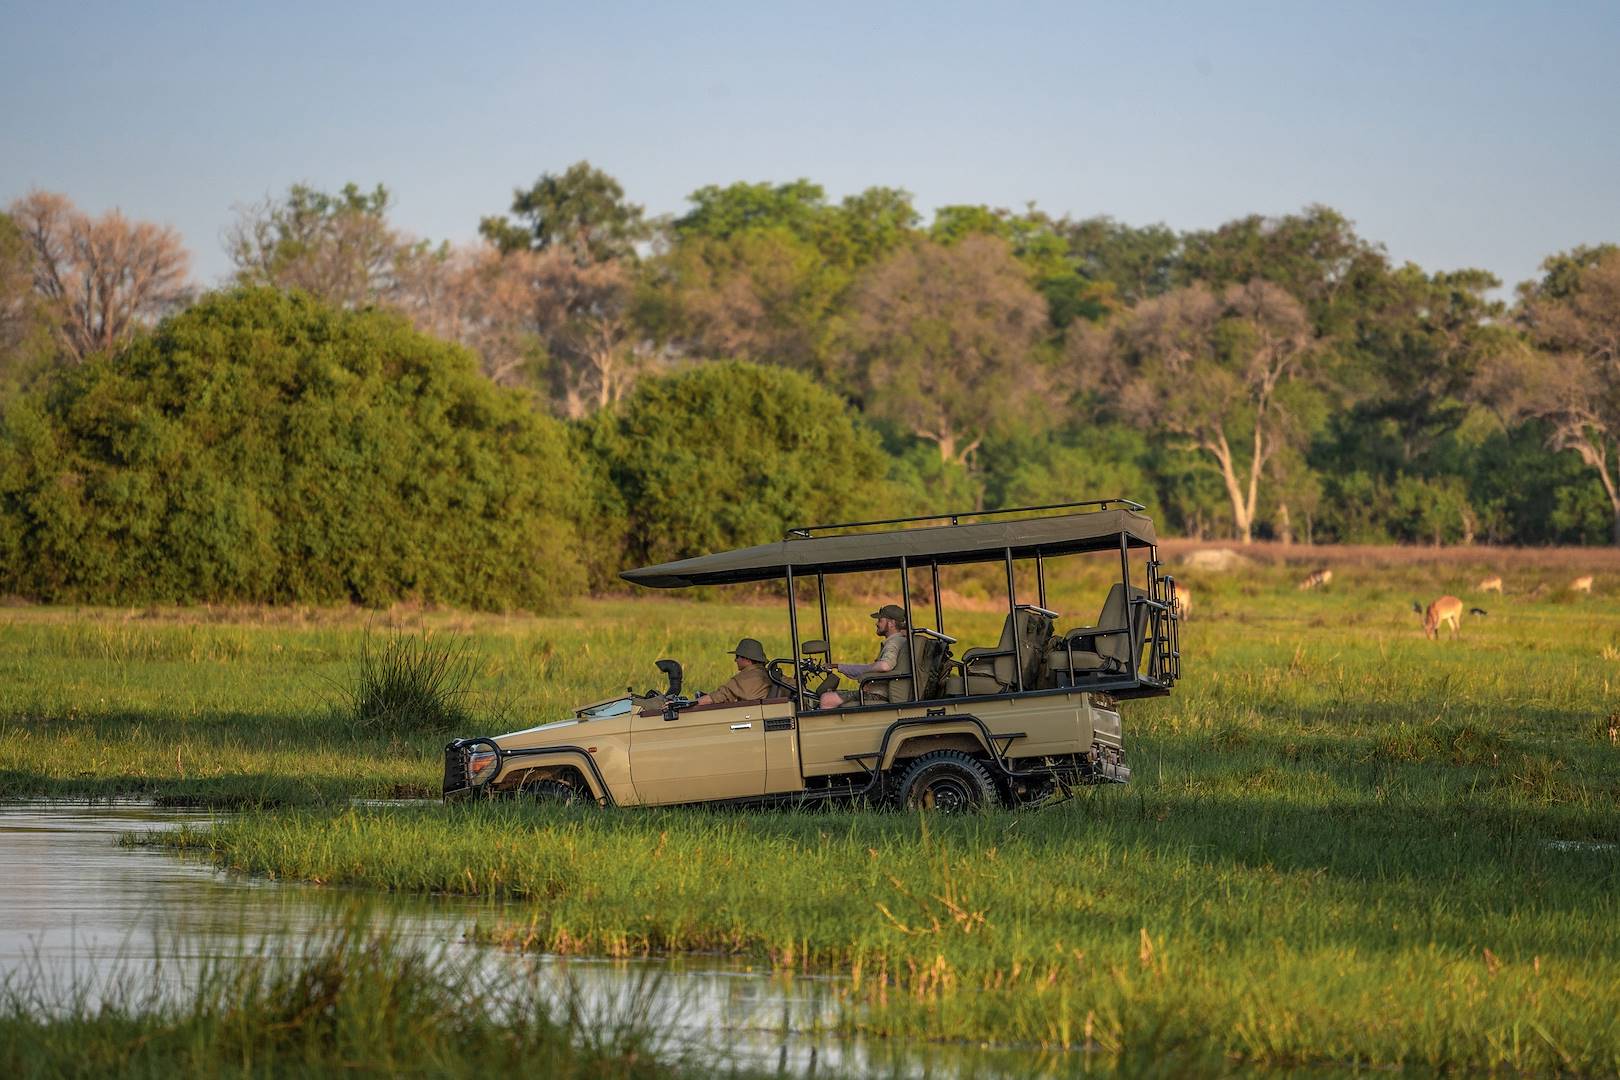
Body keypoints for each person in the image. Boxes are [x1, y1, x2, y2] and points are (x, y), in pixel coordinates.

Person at [819, 604, 909, 709]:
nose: (877, 623)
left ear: (891, 624)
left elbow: (885, 666)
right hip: (878, 692)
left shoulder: (893, 642)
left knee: (826, 699)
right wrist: (839, 666)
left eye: (880, 620)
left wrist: (866, 672)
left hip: (878, 695)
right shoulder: (901, 640)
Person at [696, 638, 775, 705]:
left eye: (737, 656)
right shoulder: (770, 675)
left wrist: (690, 704)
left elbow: (717, 696)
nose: (735, 660)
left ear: (747, 659)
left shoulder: (743, 678)